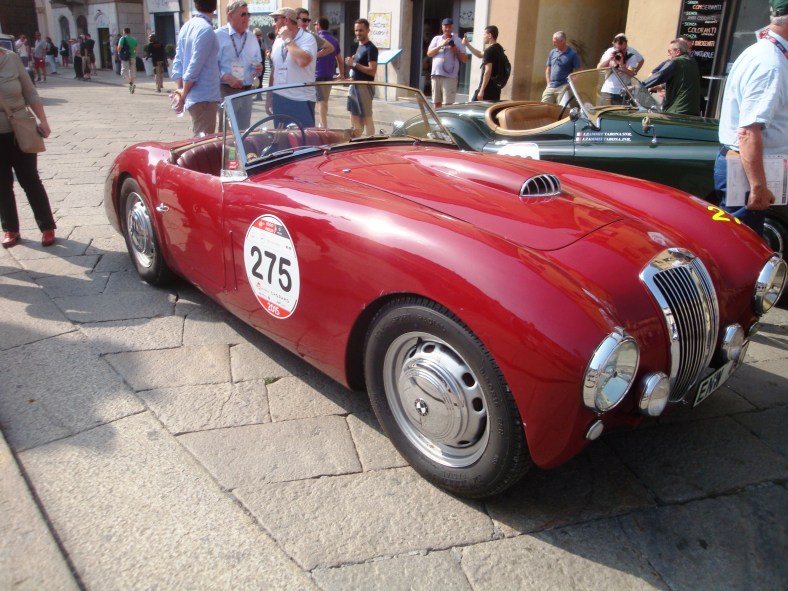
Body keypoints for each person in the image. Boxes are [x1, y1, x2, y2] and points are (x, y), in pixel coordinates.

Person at [713, 0, 787, 235]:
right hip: (747, 172)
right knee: (740, 244)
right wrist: (758, 187)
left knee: (741, 242)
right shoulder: (771, 64)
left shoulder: (764, 52)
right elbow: (748, 131)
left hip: (749, 167)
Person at [0, 47, 57, 248]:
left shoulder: (11, 58)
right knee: (2, 184)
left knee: (30, 179)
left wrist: (43, 120)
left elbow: (30, 92)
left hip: (20, 129)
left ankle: (47, 227)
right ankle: (10, 229)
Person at [171, 0, 222, 136]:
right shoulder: (206, 30)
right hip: (204, 96)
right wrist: (184, 92)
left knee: (200, 138)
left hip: (198, 97)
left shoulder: (186, 27)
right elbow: (195, 65)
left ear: (195, 5)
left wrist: (180, 87)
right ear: (215, 5)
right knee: (203, 144)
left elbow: (178, 62)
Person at [267, 7, 317, 128]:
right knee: (281, 141)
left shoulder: (308, 39)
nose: (273, 24)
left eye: (275, 20)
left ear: (286, 20)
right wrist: (269, 96)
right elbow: (275, 69)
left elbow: (302, 61)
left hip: (300, 100)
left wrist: (288, 39)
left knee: (303, 141)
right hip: (279, 98)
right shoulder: (278, 41)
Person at [216, 1, 263, 130]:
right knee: (227, 132)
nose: (247, 17)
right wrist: (225, 77)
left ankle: (240, 151)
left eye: (248, 14)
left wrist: (258, 68)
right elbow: (211, 66)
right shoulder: (218, 36)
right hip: (227, 90)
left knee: (244, 132)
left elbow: (257, 62)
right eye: (243, 14)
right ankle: (226, 152)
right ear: (230, 15)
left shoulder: (252, 38)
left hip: (246, 90)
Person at [642, 38, 700, 116]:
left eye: (670, 51)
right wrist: (660, 87)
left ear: (678, 51)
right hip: (692, 110)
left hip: (678, 110)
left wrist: (641, 85)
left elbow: (658, 76)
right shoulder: (692, 62)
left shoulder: (676, 62)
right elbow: (681, 82)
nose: (668, 53)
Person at [345, 18, 378, 135]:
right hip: (354, 86)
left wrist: (353, 64)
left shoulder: (371, 48)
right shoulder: (359, 47)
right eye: (356, 30)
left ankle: (370, 144)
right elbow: (359, 70)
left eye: (361, 30)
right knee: (354, 117)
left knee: (366, 118)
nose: (358, 33)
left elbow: (372, 71)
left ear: (368, 30)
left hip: (365, 88)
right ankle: (356, 142)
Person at [426, 18, 468, 108]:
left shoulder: (457, 40)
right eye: (445, 27)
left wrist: (455, 50)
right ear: (442, 27)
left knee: (448, 104)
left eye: (449, 27)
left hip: (450, 77)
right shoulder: (436, 39)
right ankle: (437, 120)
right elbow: (429, 53)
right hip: (436, 75)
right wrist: (441, 45)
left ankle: (446, 121)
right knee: (436, 102)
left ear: (452, 28)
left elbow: (465, 59)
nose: (447, 29)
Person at [596, 33, 644, 104]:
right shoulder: (610, 52)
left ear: (626, 46)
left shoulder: (631, 55)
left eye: (623, 49)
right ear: (614, 47)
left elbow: (631, 73)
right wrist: (609, 59)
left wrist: (622, 65)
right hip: (607, 89)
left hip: (622, 91)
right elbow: (599, 67)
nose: (621, 52)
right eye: (618, 49)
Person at [462, 25, 506, 101]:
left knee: (473, 109)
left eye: (484, 34)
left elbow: (487, 71)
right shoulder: (499, 48)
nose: (483, 37)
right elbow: (480, 54)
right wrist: (467, 45)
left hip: (487, 89)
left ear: (489, 35)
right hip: (496, 89)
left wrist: (481, 91)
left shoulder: (490, 51)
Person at [315, 16, 343, 127]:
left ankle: (323, 125)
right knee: (324, 99)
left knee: (320, 100)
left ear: (318, 26)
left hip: (317, 74)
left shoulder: (317, 39)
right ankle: (322, 123)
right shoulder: (334, 40)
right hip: (329, 74)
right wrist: (341, 74)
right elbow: (340, 60)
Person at [542, 31, 581, 104]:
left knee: (561, 109)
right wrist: (548, 83)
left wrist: (570, 84)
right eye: (553, 42)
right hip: (551, 86)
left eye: (555, 42)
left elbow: (579, 71)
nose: (553, 44)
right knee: (543, 105)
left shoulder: (572, 54)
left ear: (562, 41)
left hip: (563, 86)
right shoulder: (552, 52)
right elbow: (548, 69)